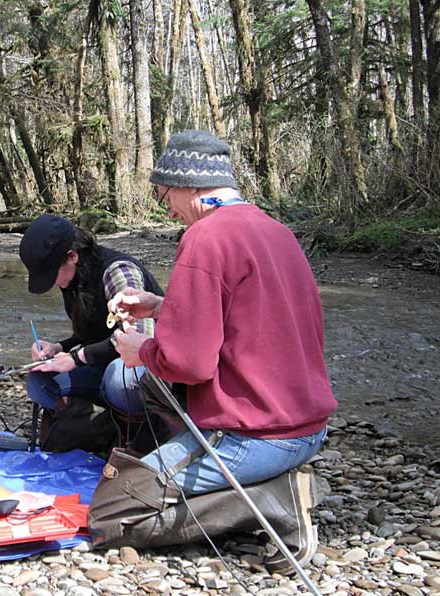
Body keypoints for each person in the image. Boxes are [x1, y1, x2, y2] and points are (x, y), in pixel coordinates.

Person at [108, 130, 337, 570]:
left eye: (165, 194)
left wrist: (142, 351)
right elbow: (250, 317)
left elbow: (189, 365)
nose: (168, 207)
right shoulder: (275, 230)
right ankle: (266, 483)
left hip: (258, 435)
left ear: (190, 186)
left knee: (116, 510)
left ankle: (276, 501)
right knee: (159, 410)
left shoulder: (205, 237)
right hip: (308, 429)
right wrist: (161, 305)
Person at [18, 214, 163, 431]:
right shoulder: (72, 279)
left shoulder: (118, 271)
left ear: (72, 256)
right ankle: (97, 427)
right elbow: (93, 332)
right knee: (39, 382)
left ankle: (132, 429)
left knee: (119, 379)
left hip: (145, 367)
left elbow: (136, 337)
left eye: (51, 274)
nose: (52, 283)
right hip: (100, 363)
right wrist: (59, 348)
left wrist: (76, 358)